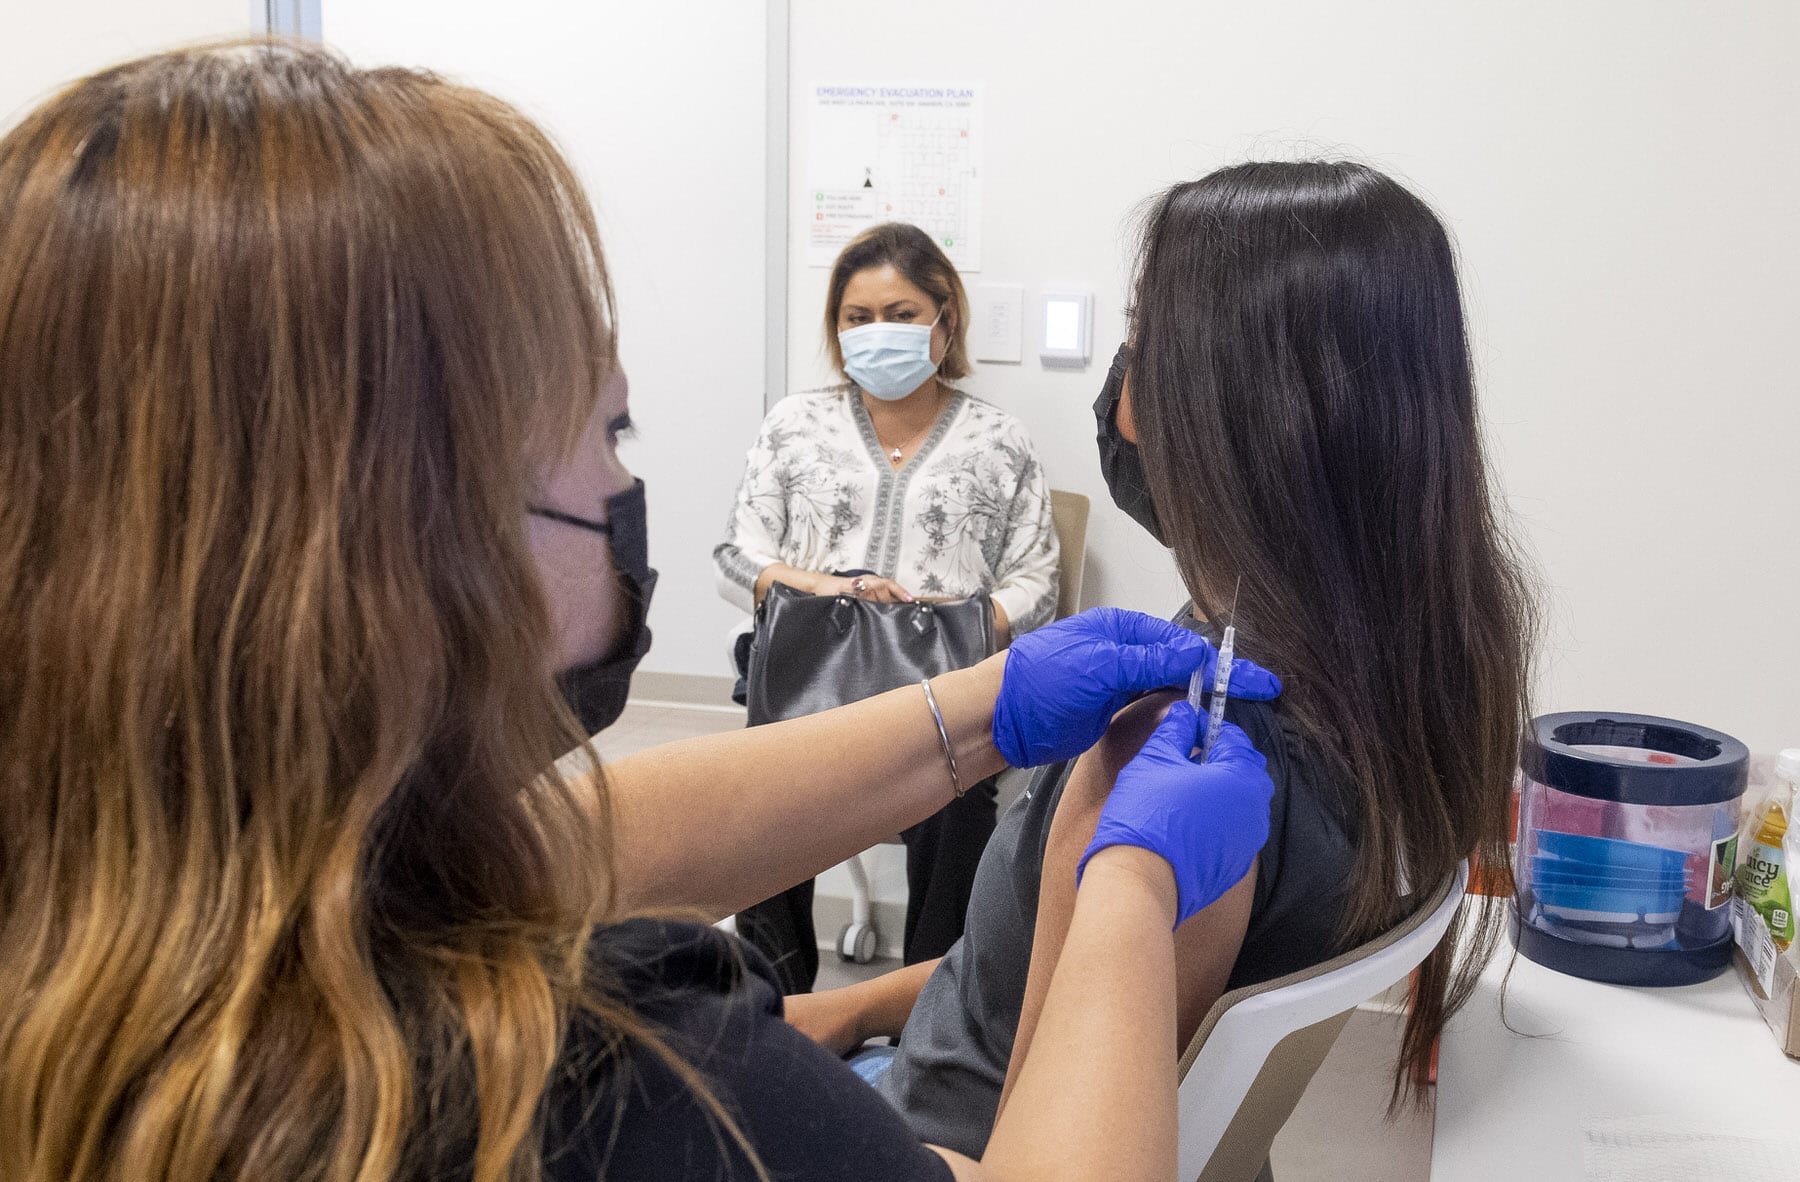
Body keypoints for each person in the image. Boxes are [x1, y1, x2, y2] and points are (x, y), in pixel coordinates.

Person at [0, 43, 1285, 1182]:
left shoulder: (142, 900)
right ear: (414, 540)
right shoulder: (635, 1102)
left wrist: (977, 706)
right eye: (607, 431)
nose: (624, 483)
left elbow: (548, 844)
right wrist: (1127, 897)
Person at [787, 161, 1538, 1159]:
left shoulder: (1172, 752)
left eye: (1140, 342)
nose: (1119, 390)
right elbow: (1026, 980)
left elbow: (1028, 1137)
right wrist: (847, 1010)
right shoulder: (1413, 676)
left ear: (1234, 411)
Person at [714, 222, 1060, 989]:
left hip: (943, 692)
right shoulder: (793, 425)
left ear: (946, 320)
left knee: (959, 803)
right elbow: (736, 558)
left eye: (901, 314)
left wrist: (951, 622)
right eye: (857, 316)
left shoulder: (999, 441)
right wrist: (832, 592)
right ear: (836, 329)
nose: (878, 332)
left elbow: (1037, 582)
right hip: (809, 684)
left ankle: (924, 1011)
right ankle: (770, 1008)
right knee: (764, 806)